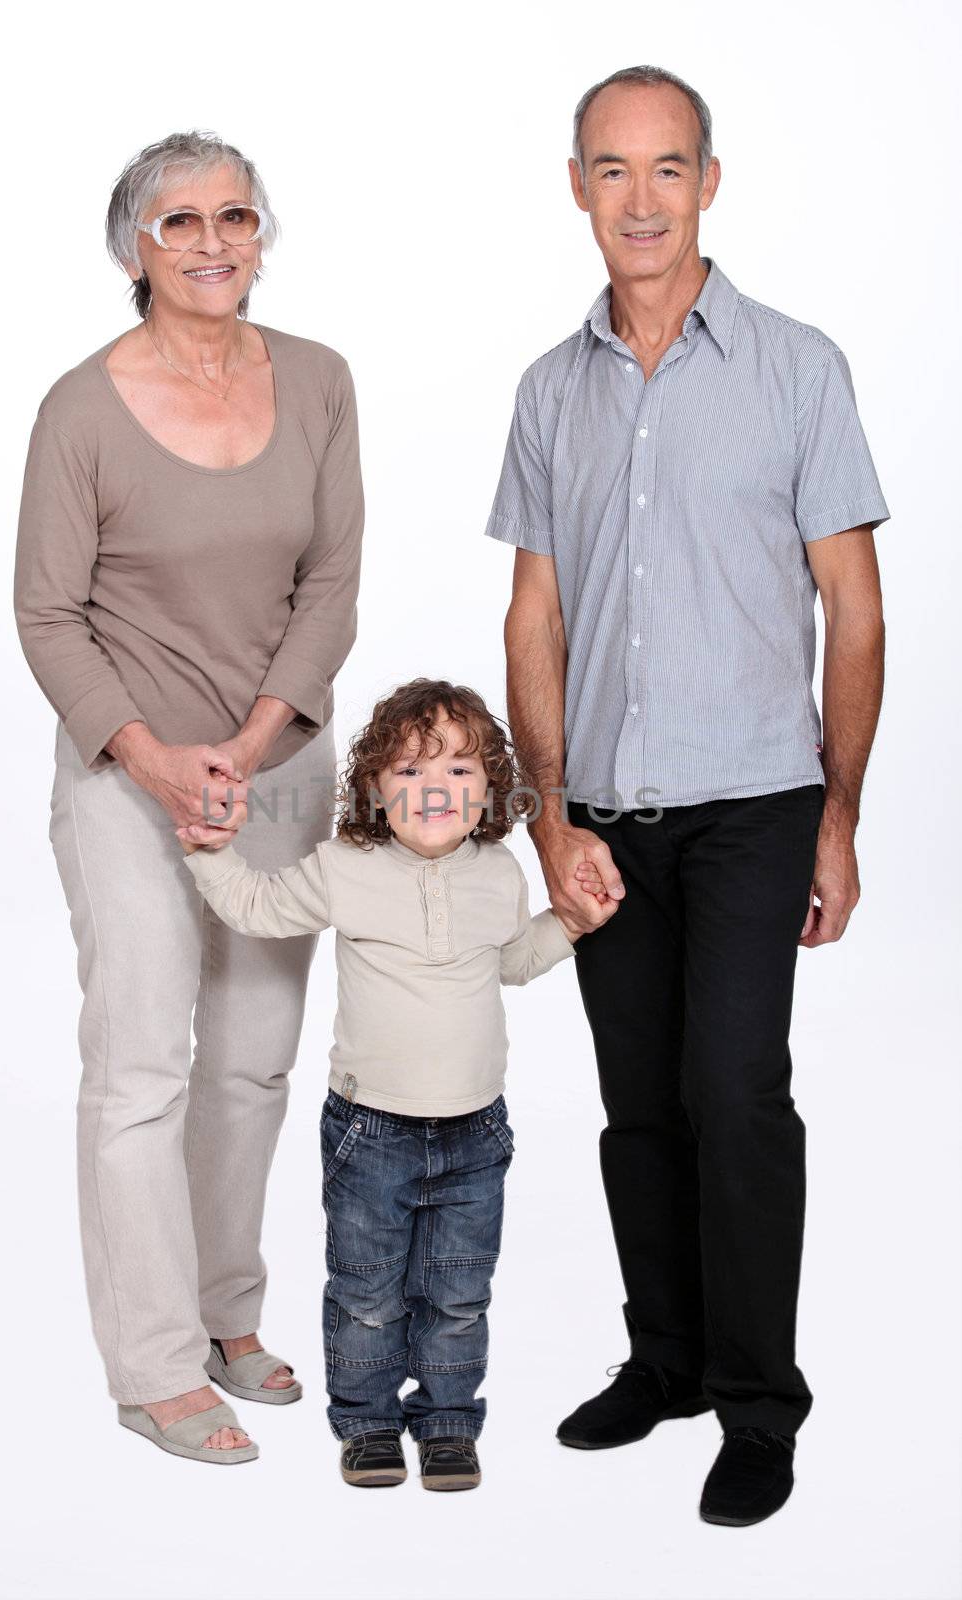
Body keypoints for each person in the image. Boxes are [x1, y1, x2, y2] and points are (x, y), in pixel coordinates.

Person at [484, 66, 890, 1525]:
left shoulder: (795, 367)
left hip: (753, 800)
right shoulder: (548, 389)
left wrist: (837, 816)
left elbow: (850, 607)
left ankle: (756, 1403)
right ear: (576, 186)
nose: (639, 200)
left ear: (707, 182)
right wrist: (545, 812)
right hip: (602, 812)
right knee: (634, 1103)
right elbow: (534, 619)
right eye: (610, 170)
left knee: (732, 1092)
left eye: (666, 170)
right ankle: (659, 1366)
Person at [13, 131, 364, 1463]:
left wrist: (259, 738)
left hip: (277, 770)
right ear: (132, 252)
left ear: (261, 234)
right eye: (179, 224)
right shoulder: (80, 410)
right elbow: (46, 617)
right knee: (146, 1063)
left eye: (236, 215)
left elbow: (329, 585)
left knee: (255, 1063)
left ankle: (226, 1314)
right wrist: (160, 761)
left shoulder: (321, 381)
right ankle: (153, 1366)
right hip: (126, 775)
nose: (214, 241)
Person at [176, 679, 615, 1488]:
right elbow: (258, 906)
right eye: (408, 772)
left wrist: (572, 925)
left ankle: (448, 1422)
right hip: (368, 1130)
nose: (434, 788)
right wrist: (210, 851)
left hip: (475, 1131)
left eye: (457, 769)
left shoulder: (499, 874)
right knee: (367, 1293)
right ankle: (368, 1422)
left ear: (491, 789)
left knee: (456, 1296)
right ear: (374, 792)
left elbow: (512, 964)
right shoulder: (346, 866)